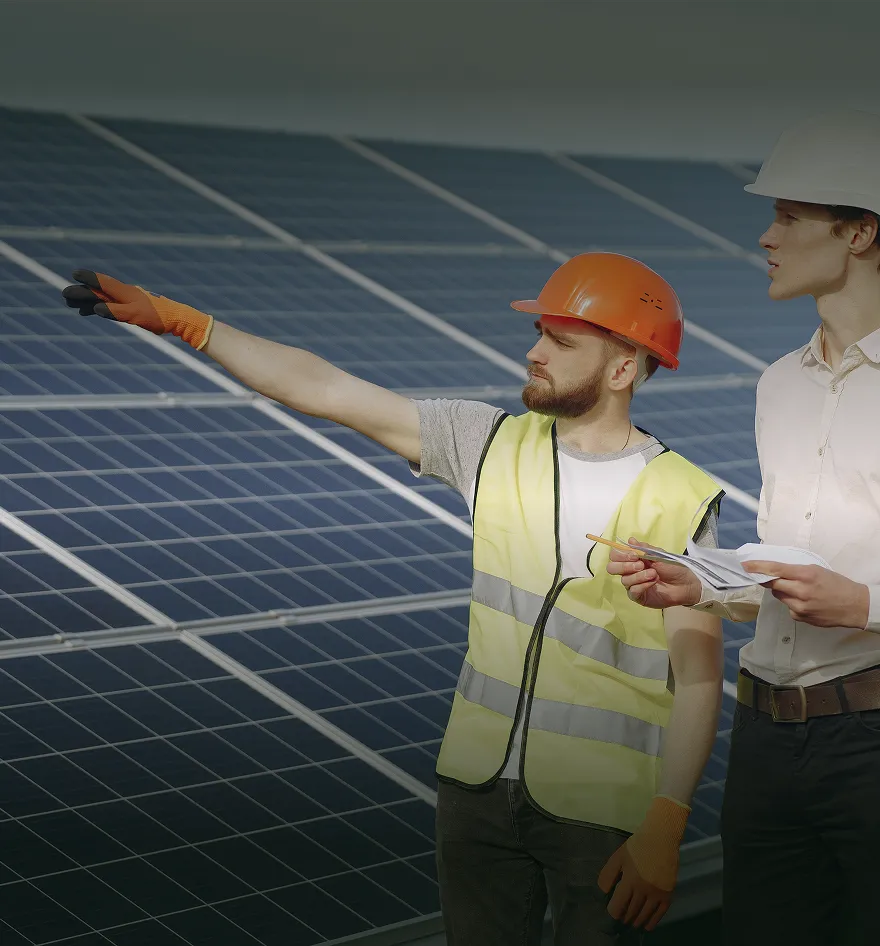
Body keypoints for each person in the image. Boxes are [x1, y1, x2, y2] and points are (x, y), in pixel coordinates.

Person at [61, 252, 725, 944]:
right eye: (539, 334)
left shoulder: (678, 495)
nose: (533, 352)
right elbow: (324, 388)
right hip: (473, 793)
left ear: (622, 369)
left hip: (602, 808)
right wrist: (188, 325)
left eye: (559, 342)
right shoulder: (488, 442)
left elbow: (700, 678)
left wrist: (667, 824)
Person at [606, 109, 880, 946]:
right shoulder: (777, 386)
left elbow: (849, 589)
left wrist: (868, 604)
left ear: (861, 232)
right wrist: (708, 584)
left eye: (789, 217)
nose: (767, 236)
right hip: (763, 740)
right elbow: (795, 560)